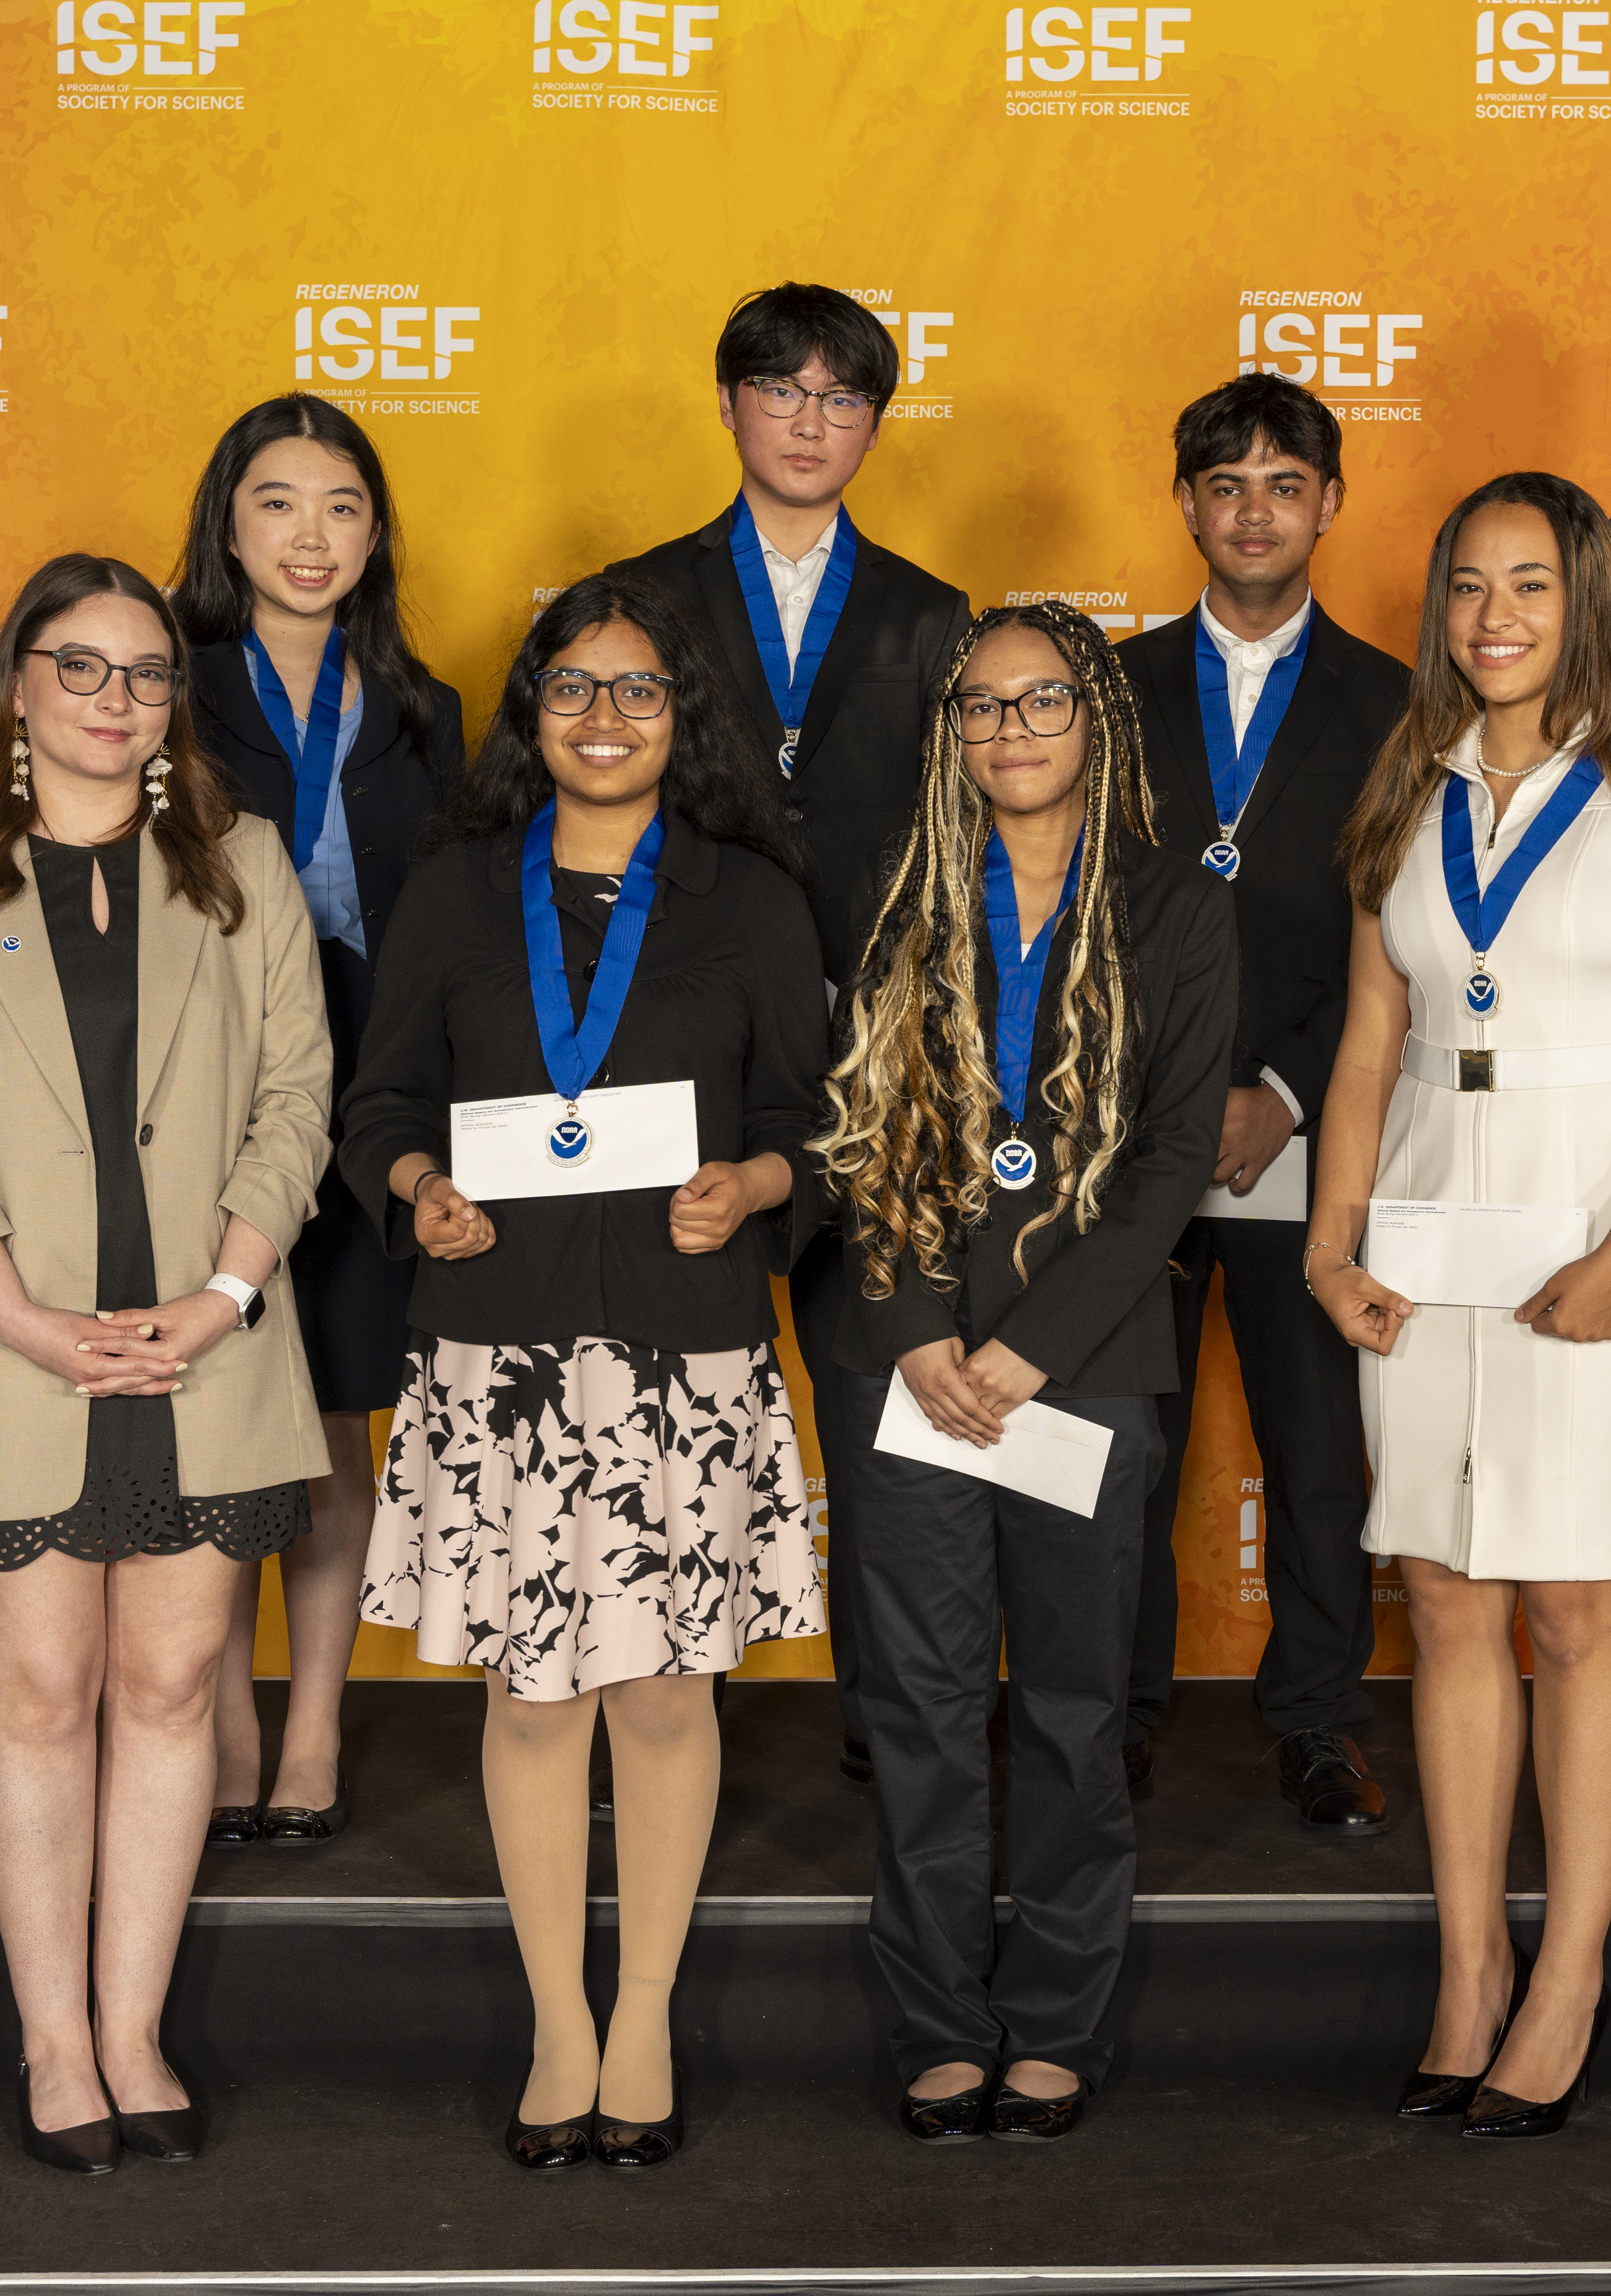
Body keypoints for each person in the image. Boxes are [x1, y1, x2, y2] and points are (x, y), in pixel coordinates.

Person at [0, 553, 334, 2173]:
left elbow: (296, 1109)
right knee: (43, 1695)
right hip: (19, 1356)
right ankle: (56, 2044)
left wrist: (220, 1299)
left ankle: (136, 2033)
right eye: (82, 668)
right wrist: (17, 1315)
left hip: (209, 1347)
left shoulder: (243, 863)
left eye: (143, 675)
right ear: (18, 686)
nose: (116, 700)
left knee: (175, 1686)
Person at [341, 572, 830, 2173]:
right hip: (501, 1365)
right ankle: (559, 2023)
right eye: (573, 689)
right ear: (529, 711)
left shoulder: (750, 899)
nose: (605, 719)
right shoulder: (457, 892)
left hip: (686, 1364)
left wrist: (754, 1192)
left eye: (639, 692)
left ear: (685, 721)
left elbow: (812, 1131)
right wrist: (417, 1191)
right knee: (535, 1705)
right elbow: (382, 1102)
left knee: (667, 1699)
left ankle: (645, 2019)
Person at [1306, 476, 1611, 2139]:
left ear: (1591, 605)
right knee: (1446, 1597)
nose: (1496, 617)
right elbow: (1366, 1037)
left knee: (1572, 1608)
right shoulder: (1405, 782)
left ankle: (1568, 1982)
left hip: (1588, 1217)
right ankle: (1469, 1970)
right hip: (1424, 1215)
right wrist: (1331, 1246)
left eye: (1533, 587)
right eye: (1470, 585)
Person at [808, 603, 1237, 2145]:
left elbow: (1176, 1161)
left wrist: (1024, 1348)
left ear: (1098, 719)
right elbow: (859, 1130)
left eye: (1042, 700)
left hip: (1085, 1371)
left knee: (1070, 1709)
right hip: (906, 1365)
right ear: (951, 733)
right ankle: (938, 2020)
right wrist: (925, 1327)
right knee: (921, 1708)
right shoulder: (895, 896)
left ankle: (1051, 2020)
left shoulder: (1176, 910)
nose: (1011, 730)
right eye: (980, 708)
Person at [604, 282, 973, 1788]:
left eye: (843, 398)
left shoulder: (933, 613)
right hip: (677, 1068)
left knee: (885, 1398)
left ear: (875, 424)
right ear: (730, 404)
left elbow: (960, 849)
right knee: (651, 1399)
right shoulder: (641, 596)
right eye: (783, 390)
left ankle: (897, 1721)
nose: (812, 421)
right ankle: (644, 1701)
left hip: (878, 1082)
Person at [1112, 374, 1410, 1826]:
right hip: (1133, 1132)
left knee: (1315, 1446)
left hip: (1312, 1122)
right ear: (1183, 504)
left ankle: (1318, 1717)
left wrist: (1284, 1092)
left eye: (1284, 484)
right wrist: (1182, 1098)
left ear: (1329, 505)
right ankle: (1107, 1714)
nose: (1253, 511)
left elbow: (1406, 926)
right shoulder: (1103, 688)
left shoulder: (1399, 704)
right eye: (1224, 484)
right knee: (1123, 1445)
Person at [174, 393, 467, 1851]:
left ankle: (313, 1733)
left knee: (341, 1427)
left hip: (372, 1118)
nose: (313, 534)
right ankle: (216, 1721)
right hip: (208, 1115)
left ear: (376, 533)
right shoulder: (162, 684)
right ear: (229, 521)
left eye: (344, 506)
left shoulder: (426, 708)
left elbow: (464, 931)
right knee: (224, 1431)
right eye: (279, 502)